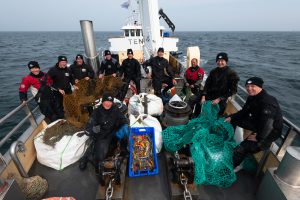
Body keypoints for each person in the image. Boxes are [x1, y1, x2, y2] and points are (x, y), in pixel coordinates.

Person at [225, 77, 283, 168]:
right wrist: (231, 117)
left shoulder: (267, 101)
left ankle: (229, 169)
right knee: (233, 119)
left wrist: (259, 137)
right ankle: (229, 140)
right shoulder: (252, 97)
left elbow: (268, 125)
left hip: (269, 133)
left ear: (260, 87)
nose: (249, 88)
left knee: (241, 149)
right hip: (258, 123)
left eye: (253, 86)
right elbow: (244, 111)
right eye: (247, 86)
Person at [79, 92, 128, 183]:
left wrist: (125, 124)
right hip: (103, 136)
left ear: (112, 102)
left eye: (110, 102)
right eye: (106, 101)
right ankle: (86, 157)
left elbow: (122, 119)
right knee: (100, 156)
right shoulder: (97, 112)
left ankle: (124, 152)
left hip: (114, 133)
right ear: (102, 102)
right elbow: (89, 125)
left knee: (126, 135)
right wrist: (92, 129)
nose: (107, 104)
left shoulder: (115, 109)